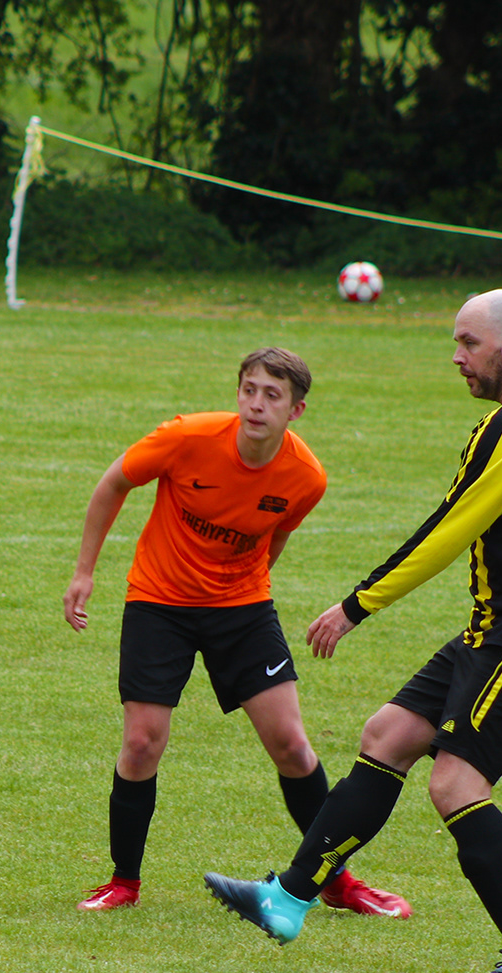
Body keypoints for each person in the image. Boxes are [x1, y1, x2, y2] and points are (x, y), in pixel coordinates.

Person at [203, 290, 502, 973]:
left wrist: (357, 606)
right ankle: (288, 900)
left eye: (468, 343)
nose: (457, 356)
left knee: (454, 784)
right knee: (387, 734)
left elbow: (450, 527)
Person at [63, 348, 412, 918]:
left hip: (242, 609)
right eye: (249, 389)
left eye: (272, 395)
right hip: (159, 602)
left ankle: (335, 880)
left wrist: (241, 590)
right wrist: (84, 573)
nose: (256, 404)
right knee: (142, 742)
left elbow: (276, 536)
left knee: (292, 745)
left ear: (295, 410)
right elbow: (112, 484)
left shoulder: (306, 477)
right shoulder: (187, 437)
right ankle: (123, 881)